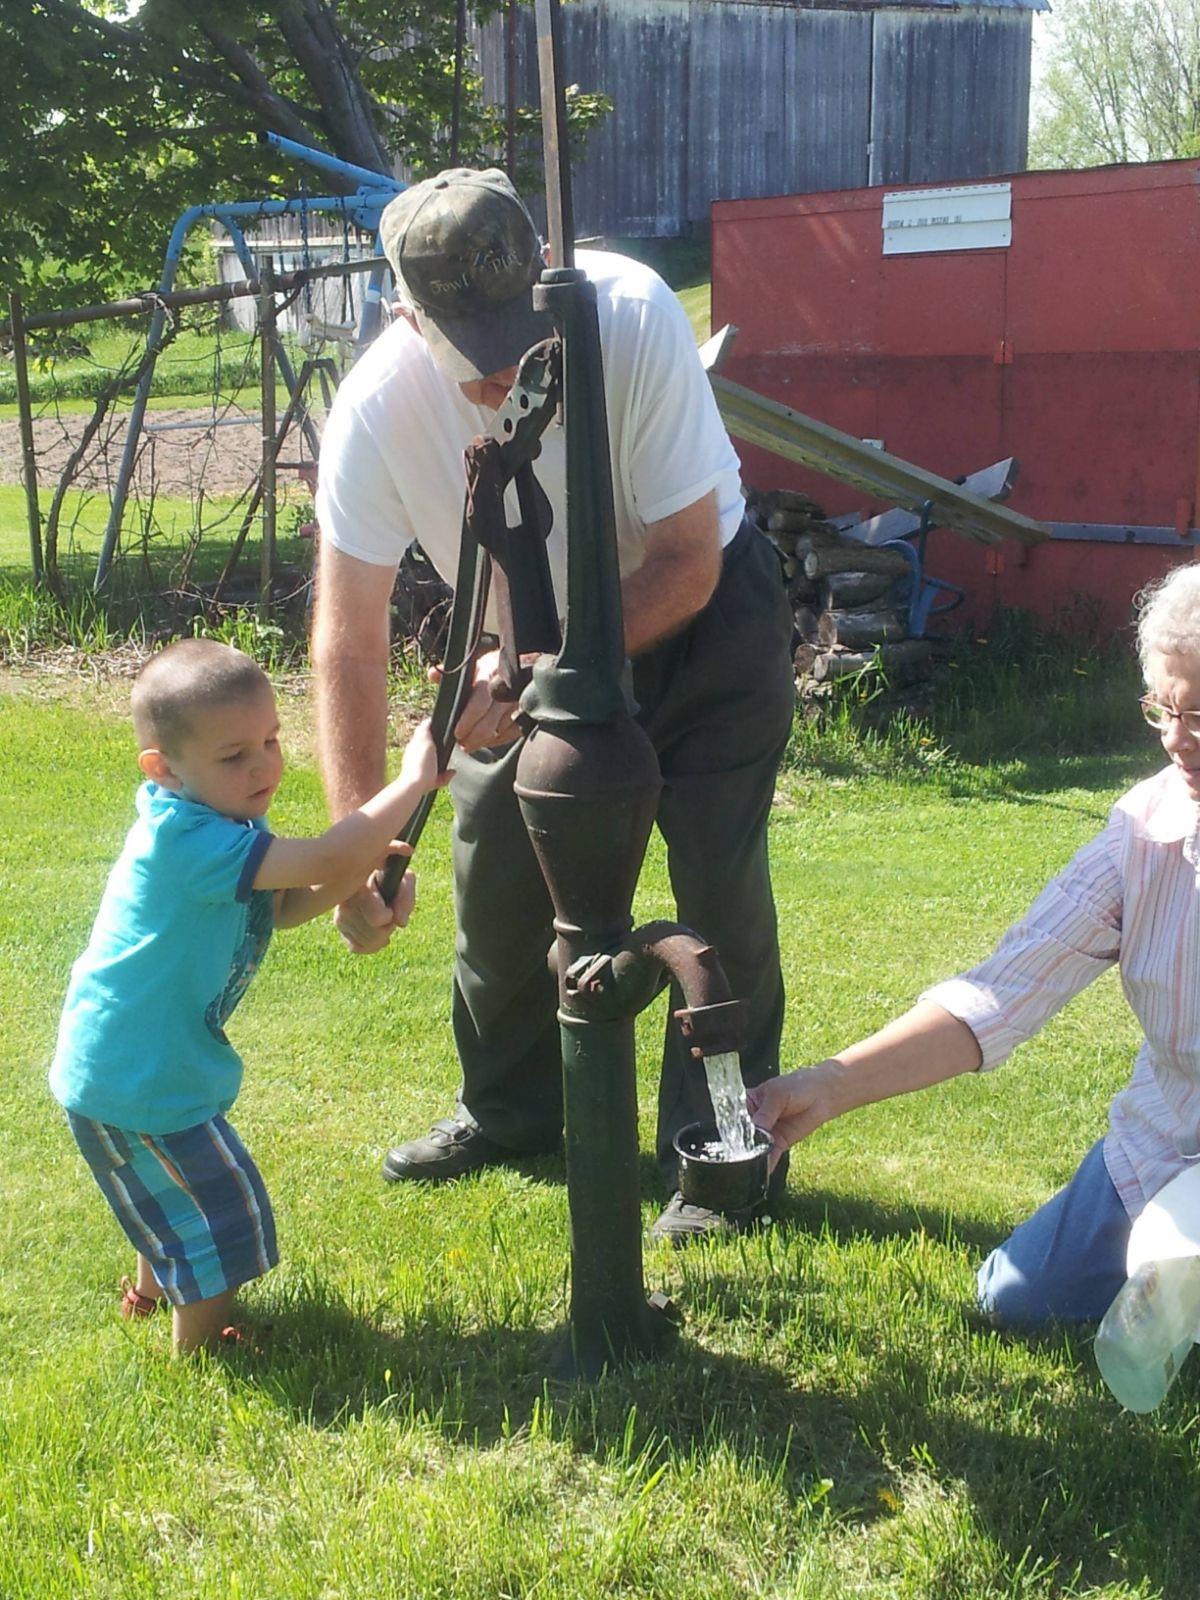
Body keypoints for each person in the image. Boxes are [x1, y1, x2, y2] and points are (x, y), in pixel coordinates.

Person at [311, 167, 795, 1241]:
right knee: (494, 886)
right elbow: (347, 637)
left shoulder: (628, 315)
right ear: (405, 316)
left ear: (547, 275)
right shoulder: (376, 411)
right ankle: (512, 1111)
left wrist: (529, 674)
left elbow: (682, 564)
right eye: (467, 350)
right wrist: (358, 855)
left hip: (703, 628)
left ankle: (724, 1151)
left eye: (515, 336)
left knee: (718, 892)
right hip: (529, 645)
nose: (497, 377)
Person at [748, 562, 1200, 1327]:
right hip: (1167, 1140)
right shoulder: (1142, 833)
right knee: (1017, 1299)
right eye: (1163, 708)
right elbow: (1000, 995)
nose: (1175, 741)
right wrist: (825, 1087)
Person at [50, 639, 446, 1353]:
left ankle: (147, 1295)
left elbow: (285, 902)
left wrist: (360, 869)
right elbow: (323, 857)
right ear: (163, 768)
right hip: (135, 1074)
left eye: (270, 739)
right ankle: (202, 1350)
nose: (263, 765)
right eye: (235, 756)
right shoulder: (187, 840)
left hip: (129, 1065)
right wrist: (413, 782)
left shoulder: (218, 820)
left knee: (173, 1195)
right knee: (219, 1214)